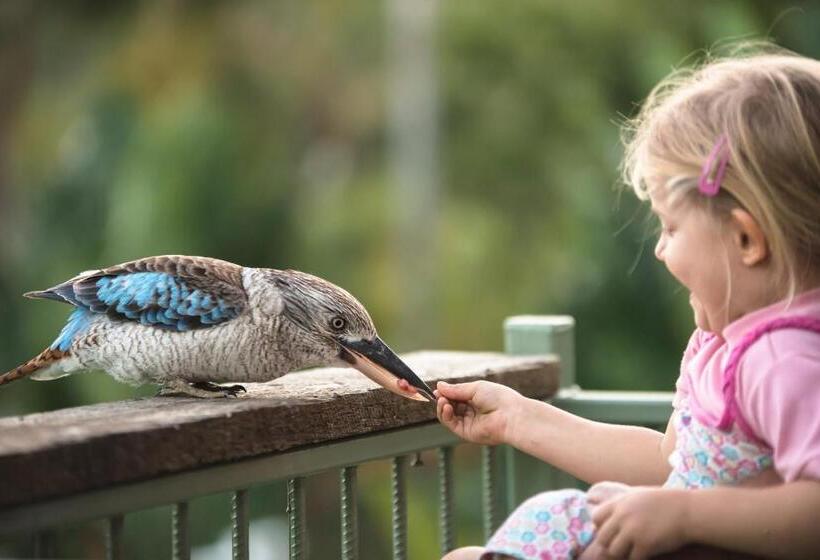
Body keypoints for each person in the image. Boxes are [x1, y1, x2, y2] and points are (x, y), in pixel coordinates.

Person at [435, 46, 820, 560]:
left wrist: (682, 516)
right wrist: (519, 419)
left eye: (671, 227)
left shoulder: (786, 359)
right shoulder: (727, 347)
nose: (660, 249)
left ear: (746, 239)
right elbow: (671, 467)